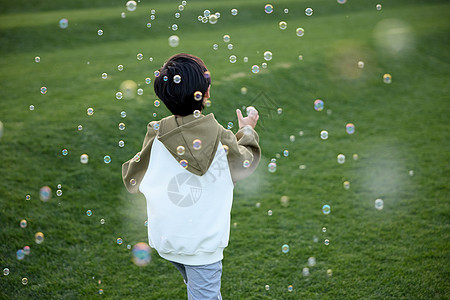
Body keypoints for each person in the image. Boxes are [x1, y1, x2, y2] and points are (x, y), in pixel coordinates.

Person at [122, 53, 260, 299]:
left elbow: (132, 179)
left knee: (195, 287)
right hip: (203, 247)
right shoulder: (222, 137)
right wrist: (247, 130)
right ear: (206, 93)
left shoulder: (156, 135)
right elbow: (244, 163)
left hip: (168, 241)